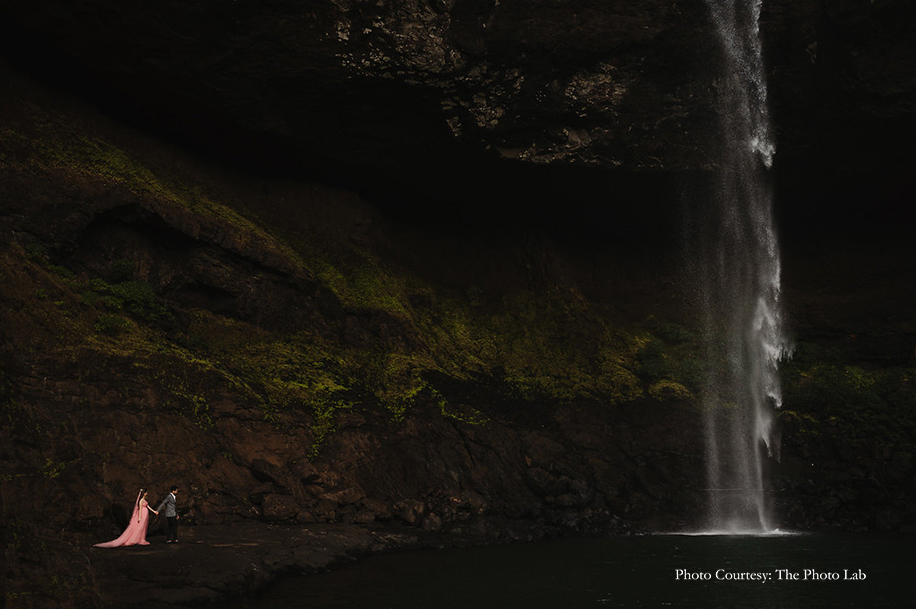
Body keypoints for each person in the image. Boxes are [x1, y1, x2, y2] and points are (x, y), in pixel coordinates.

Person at [94, 489, 159, 547]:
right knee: (140, 527)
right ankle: (135, 539)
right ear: (144, 493)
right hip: (142, 514)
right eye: (146, 492)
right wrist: (139, 517)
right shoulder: (141, 500)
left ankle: (141, 538)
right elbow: (140, 509)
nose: (147, 493)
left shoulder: (144, 500)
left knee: (143, 527)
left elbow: (148, 506)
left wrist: (154, 511)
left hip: (145, 515)